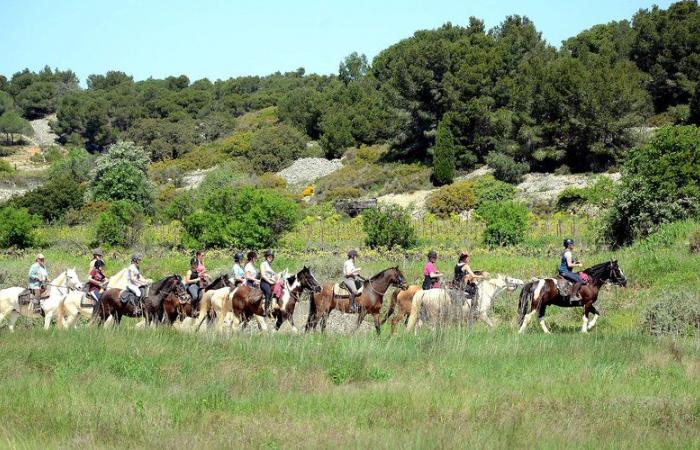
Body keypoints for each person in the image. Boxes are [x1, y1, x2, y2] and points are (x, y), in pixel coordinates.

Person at [260, 250, 277, 314]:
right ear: (266, 257)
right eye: (269, 256)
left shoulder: (269, 265)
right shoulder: (263, 264)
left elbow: (273, 275)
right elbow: (263, 275)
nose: (270, 258)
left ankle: (274, 307)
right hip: (264, 282)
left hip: (271, 281)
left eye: (271, 257)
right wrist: (270, 281)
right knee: (268, 292)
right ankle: (266, 309)